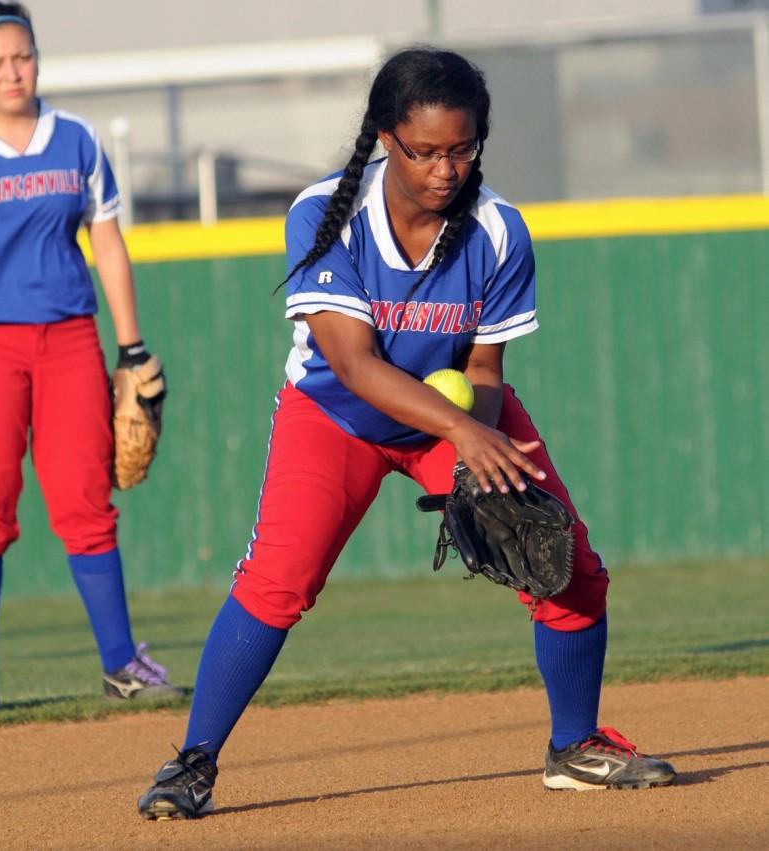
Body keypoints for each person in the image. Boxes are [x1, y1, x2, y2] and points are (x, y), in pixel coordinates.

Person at [137, 47, 676, 819]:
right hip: (337, 417)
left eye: (462, 148)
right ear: (387, 138)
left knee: (567, 565)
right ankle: (192, 762)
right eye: (424, 150)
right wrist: (463, 429)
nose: (445, 168)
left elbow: (484, 367)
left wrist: (472, 450)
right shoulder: (328, 215)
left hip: (453, 420)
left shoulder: (497, 230)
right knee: (276, 585)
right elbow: (353, 365)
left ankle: (575, 744)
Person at [0, 2, 179, 713]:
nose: (11, 71)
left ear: (37, 59)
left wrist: (131, 344)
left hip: (69, 341)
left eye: (21, 56)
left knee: (87, 503)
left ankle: (120, 662)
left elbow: (107, 243)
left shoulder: (76, 140)